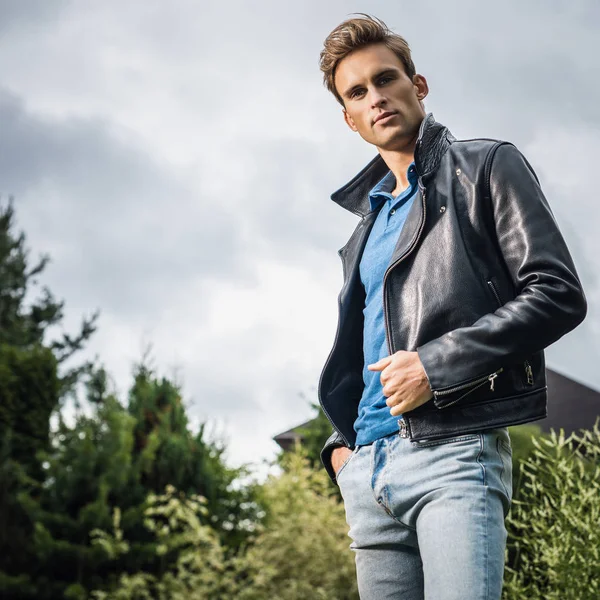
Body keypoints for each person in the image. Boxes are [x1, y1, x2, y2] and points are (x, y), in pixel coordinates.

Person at [317, 14, 587, 600]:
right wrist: (342, 449)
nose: (376, 98)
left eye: (386, 80)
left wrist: (433, 368)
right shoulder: (365, 225)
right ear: (349, 118)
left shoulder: (486, 165)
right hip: (367, 470)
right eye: (357, 92)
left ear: (418, 86)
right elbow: (364, 342)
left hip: (454, 454)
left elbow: (557, 293)